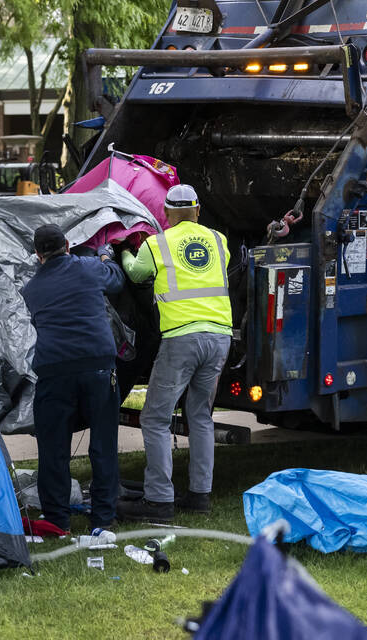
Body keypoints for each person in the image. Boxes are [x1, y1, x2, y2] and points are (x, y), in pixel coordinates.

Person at [117, 184, 232, 522]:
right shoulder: (218, 240)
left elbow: (137, 274)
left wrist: (124, 251)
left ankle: (158, 501)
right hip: (220, 336)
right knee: (200, 416)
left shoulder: (157, 242)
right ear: (198, 211)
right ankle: (200, 496)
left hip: (182, 338)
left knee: (155, 418)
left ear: (165, 215)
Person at [20, 225, 125, 536]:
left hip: (54, 370)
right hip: (97, 367)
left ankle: (56, 519)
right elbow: (116, 279)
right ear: (67, 245)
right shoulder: (89, 269)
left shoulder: (31, 289)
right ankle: (103, 518)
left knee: (53, 448)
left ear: (37, 254)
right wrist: (106, 256)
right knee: (103, 444)